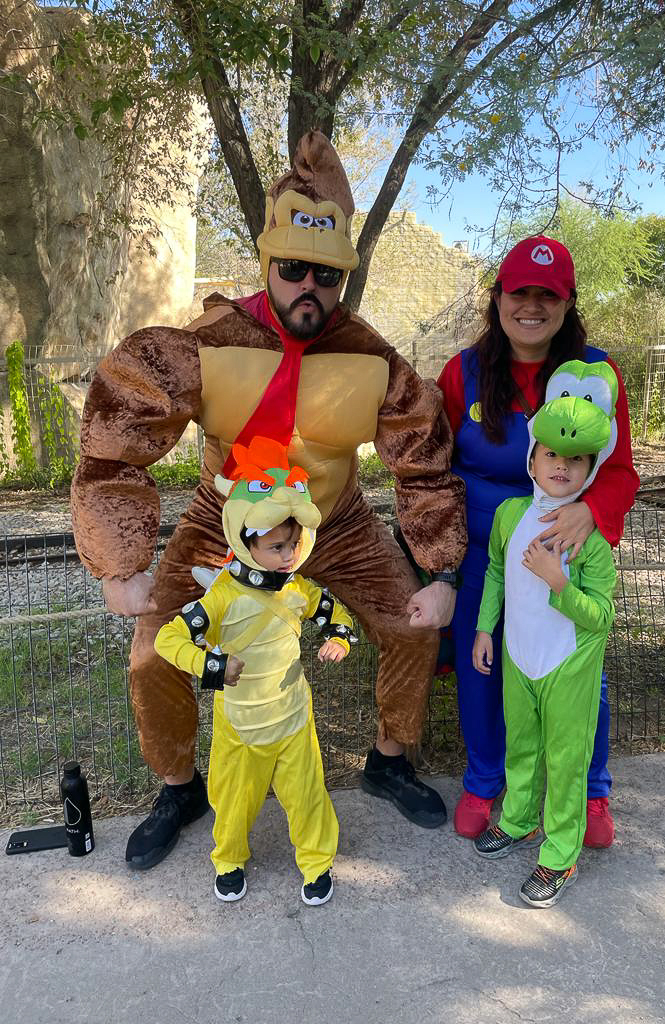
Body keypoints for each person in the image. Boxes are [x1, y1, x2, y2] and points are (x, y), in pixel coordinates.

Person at [71, 131, 467, 871]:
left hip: (337, 521)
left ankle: (387, 762)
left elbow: (426, 464)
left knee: (413, 625)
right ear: (268, 263)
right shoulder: (210, 341)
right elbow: (117, 433)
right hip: (223, 521)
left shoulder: (373, 357)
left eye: (326, 274)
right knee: (152, 652)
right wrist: (119, 560)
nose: (308, 288)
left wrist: (442, 574)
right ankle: (180, 788)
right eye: (293, 269)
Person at [436, 236, 638, 842]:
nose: (531, 305)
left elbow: (622, 469)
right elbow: (433, 472)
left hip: (565, 555)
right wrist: (442, 564)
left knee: (578, 675)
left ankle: (591, 792)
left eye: (546, 296)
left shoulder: (595, 375)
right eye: (518, 291)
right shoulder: (463, 372)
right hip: (485, 557)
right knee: (484, 669)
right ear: (497, 298)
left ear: (567, 304)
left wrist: (591, 513)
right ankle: (485, 780)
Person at [154, 437, 354, 906]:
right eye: (276, 545)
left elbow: (337, 614)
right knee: (233, 802)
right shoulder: (222, 597)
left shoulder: (299, 590)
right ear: (244, 540)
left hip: (292, 722)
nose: (288, 555)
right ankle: (228, 860)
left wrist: (340, 639)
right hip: (240, 728)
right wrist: (213, 665)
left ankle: (317, 862)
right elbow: (169, 639)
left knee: (307, 798)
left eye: (294, 543)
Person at [472, 361, 618, 907]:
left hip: (568, 665)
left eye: (575, 459)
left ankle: (560, 854)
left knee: (566, 756)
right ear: (531, 458)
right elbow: (493, 571)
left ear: (590, 469)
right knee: (522, 743)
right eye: (551, 454)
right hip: (518, 654)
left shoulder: (592, 540)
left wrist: (560, 584)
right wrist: (486, 627)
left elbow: (601, 616)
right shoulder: (511, 515)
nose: (561, 465)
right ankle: (517, 820)